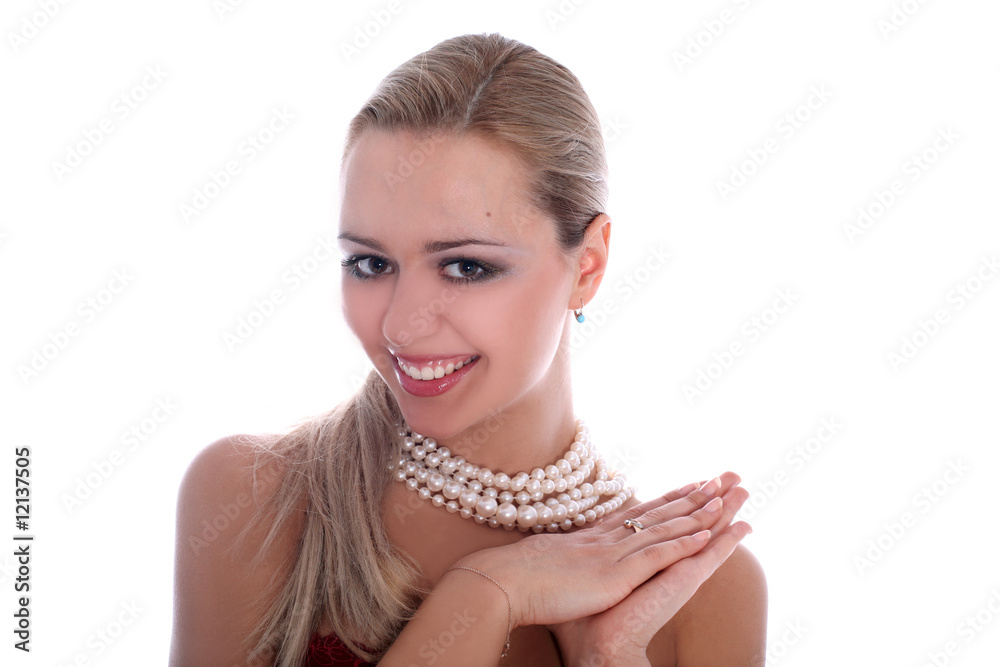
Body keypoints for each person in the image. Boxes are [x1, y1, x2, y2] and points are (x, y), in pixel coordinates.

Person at [169, 32, 766, 666]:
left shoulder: (699, 589)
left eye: (466, 268)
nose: (402, 325)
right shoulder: (257, 500)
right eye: (370, 263)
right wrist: (487, 595)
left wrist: (608, 659)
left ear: (587, 266)